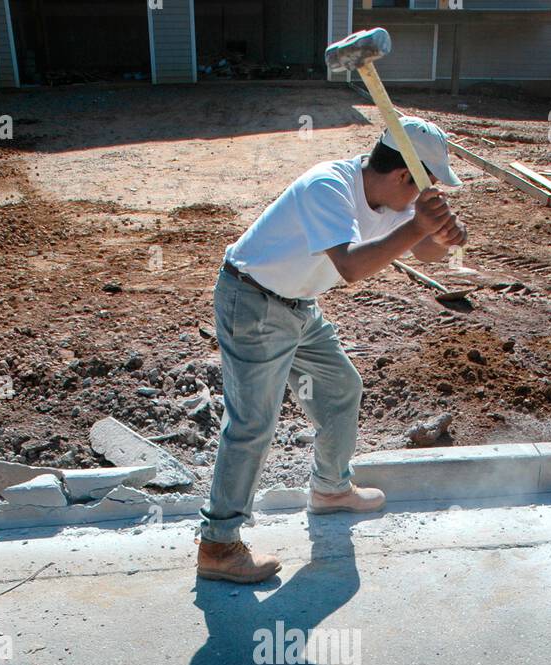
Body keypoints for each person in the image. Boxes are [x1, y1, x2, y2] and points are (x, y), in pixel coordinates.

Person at [196, 117, 467, 583]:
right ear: (405, 175)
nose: (427, 193)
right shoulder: (328, 186)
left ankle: (330, 490)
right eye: (429, 182)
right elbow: (351, 266)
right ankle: (218, 544)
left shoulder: (394, 197)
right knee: (252, 424)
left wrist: (440, 231)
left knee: (341, 388)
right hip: (253, 301)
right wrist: (418, 225)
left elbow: (425, 254)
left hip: (297, 304)